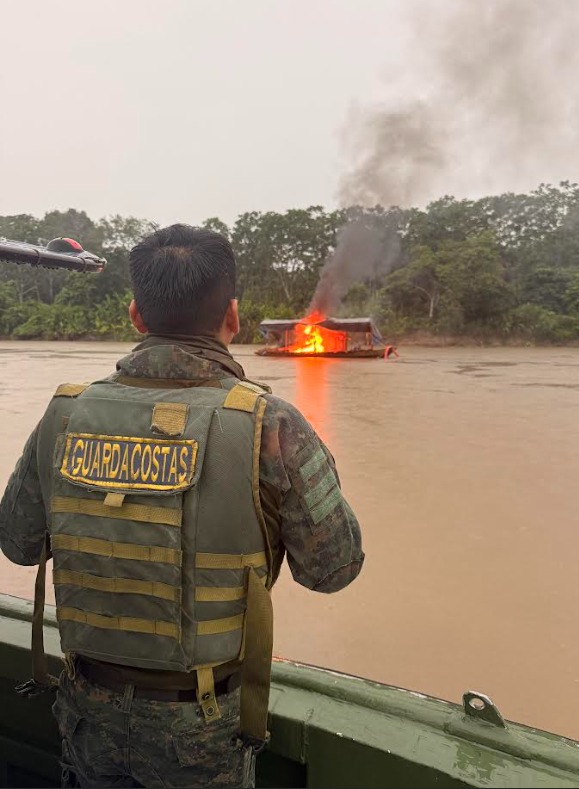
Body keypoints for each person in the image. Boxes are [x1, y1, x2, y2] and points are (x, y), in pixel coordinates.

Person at [0, 224, 364, 789]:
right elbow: (333, 570)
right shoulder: (272, 425)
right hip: (203, 725)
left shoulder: (64, 415)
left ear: (135, 316)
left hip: (86, 711)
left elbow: (18, 545)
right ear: (234, 317)